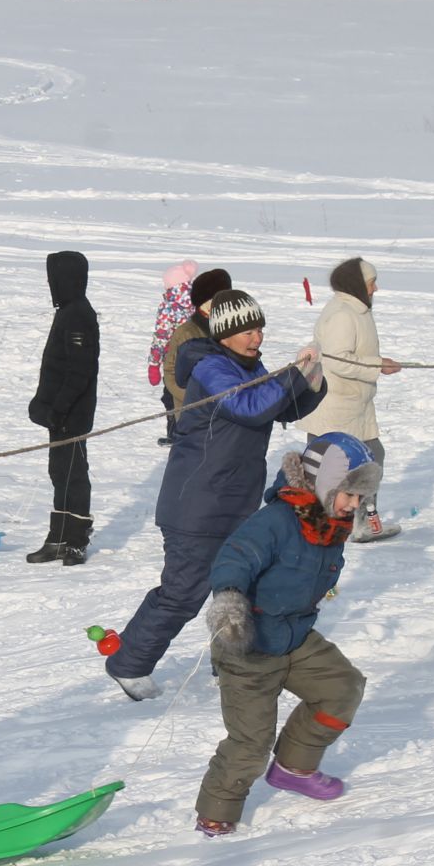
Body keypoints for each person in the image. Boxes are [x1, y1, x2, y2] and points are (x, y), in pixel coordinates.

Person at [105, 290, 326, 700]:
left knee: (239, 585)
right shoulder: (211, 369)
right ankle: (129, 663)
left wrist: (311, 381)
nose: (256, 337)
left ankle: (231, 663)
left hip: (235, 500)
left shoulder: (247, 366)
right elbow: (248, 407)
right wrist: (291, 374)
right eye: (246, 330)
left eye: (259, 328)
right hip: (197, 504)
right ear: (224, 332)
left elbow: (280, 408)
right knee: (183, 593)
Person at [193, 434, 377, 836]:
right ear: (325, 482)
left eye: (361, 498)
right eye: (350, 493)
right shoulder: (277, 520)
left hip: (294, 636)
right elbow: (234, 557)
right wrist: (228, 600)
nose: (355, 505)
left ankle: (294, 766)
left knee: (342, 687)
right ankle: (216, 813)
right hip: (248, 646)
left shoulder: (330, 524)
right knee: (250, 743)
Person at [294, 257, 402, 542]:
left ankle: (352, 521)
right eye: (371, 283)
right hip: (337, 406)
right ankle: (342, 523)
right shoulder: (344, 313)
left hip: (354, 405)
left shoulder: (355, 309)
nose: (376, 288)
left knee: (364, 460)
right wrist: (377, 365)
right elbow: (338, 360)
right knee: (348, 465)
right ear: (357, 284)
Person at [26, 250, 100, 565]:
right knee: (60, 473)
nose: (50, 283)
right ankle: (58, 537)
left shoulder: (79, 314)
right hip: (60, 414)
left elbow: (79, 370)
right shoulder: (67, 311)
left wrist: (59, 408)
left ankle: (76, 540)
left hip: (73, 414)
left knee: (74, 474)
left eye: (54, 277)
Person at [161, 268, 231, 427]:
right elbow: (170, 372)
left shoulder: (230, 329)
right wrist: (195, 398)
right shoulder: (187, 332)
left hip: (226, 412)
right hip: (193, 414)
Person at [147, 259, 198, 445]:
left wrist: (153, 364)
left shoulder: (168, 308)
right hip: (196, 359)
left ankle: (175, 433)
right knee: (191, 395)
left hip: (173, 361)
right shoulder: (198, 303)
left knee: (170, 395)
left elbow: (161, 337)